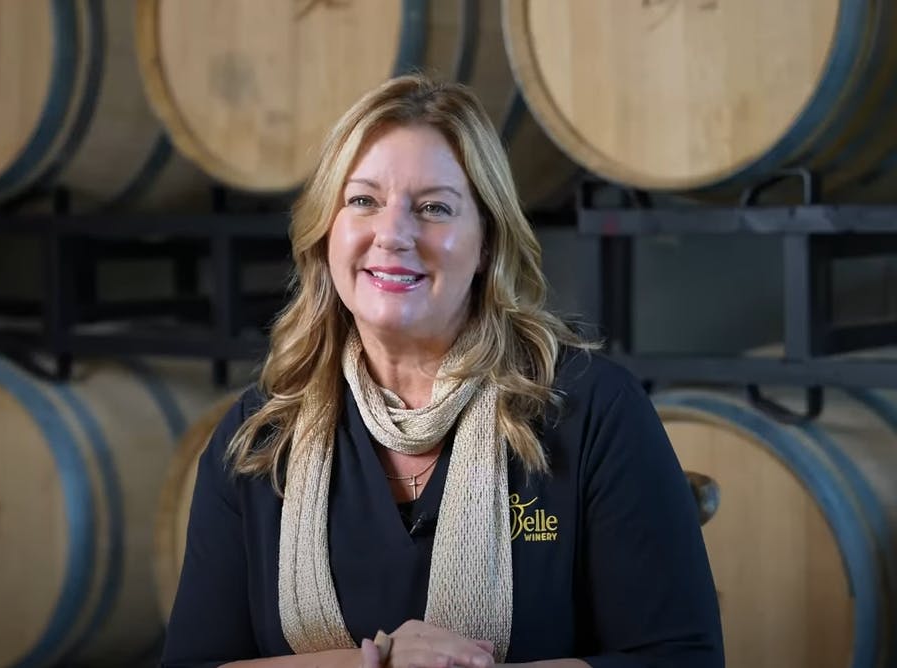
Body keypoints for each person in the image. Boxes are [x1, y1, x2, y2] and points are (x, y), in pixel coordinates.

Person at [161, 74, 723, 668]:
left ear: (487, 244)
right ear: (326, 230)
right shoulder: (259, 435)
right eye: (363, 200)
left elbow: (681, 659)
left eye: (434, 208)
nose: (393, 235)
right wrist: (373, 664)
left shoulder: (591, 410)